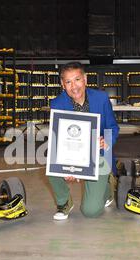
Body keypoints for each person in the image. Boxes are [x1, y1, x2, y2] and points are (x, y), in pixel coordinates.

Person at [48, 62, 120, 220]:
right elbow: (58, 140)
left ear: (85, 79)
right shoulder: (57, 104)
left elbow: (112, 127)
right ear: (62, 84)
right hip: (72, 155)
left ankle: (107, 186)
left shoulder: (101, 98)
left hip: (99, 155)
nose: (74, 86)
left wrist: (106, 142)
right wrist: (67, 167)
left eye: (77, 80)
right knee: (50, 160)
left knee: (91, 211)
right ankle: (64, 202)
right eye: (68, 82)